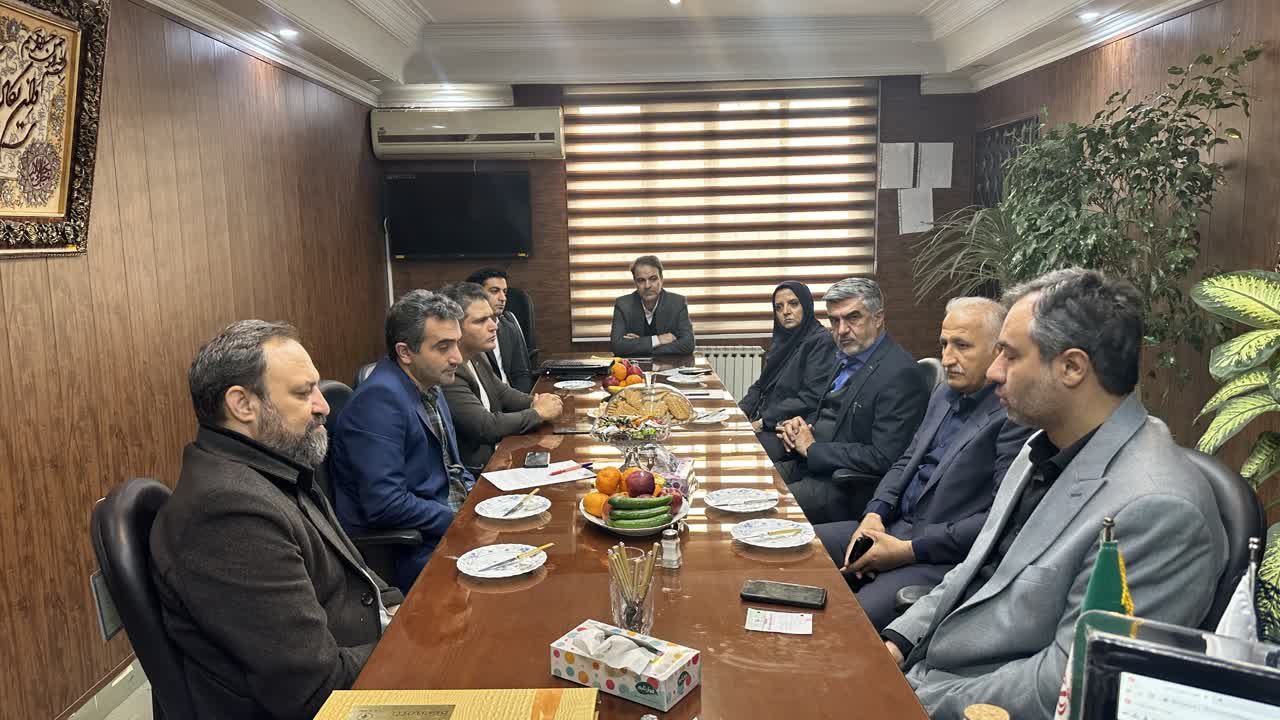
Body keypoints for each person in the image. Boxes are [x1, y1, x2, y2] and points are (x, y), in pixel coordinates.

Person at [882, 269, 1228, 719]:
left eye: (1010, 355)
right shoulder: (1041, 445)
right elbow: (975, 571)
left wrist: (910, 702)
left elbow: (1066, 682)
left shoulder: (1159, 510)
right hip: (930, 672)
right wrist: (897, 641)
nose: (994, 372)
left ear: (1072, 368)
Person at [150, 320, 404, 720]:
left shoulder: (276, 465)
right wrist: (412, 644)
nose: (323, 406)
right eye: (304, 393)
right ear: (243, 405)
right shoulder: (227, 513)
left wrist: (410, 617)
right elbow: (315, 688)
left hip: (365, 656)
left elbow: (360, 578)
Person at [813, 297, 1032, 630]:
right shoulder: (943, 394)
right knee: (796, 548)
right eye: (944, 345)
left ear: (997, 351)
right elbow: (905, 461)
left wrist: (908, 549)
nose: (948, 358)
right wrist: (874, 514)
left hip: (935, 554)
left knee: (848, 624)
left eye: (962, 346)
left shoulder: (1013, 415)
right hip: (891, 528)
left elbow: (998, 519)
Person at [327, 290, 475, 591]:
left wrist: (477, 504)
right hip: (415, 548)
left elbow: (453, 468)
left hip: (447, 524)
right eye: (443, 347)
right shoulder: (378, 401)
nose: (457, 358)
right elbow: (386, 504)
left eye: (456, 343)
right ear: (405, 352)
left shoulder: (430, 384)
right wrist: (459, 519)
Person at [768, 277, 930, 524]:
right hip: (811, 464)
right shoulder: (847, 357)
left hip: (845, 486)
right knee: (752, 482)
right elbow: (830, 412)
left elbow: (884, 457)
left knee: (765, 507)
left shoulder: (900, 374)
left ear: (878, 318)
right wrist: (800, 425)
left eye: (853, 318)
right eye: (835, 320)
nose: (842, 330)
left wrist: (812, 448)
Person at [439, 282, 563, 471]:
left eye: (491, 318)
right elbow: (485, 427)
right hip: (476, 471)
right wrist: (537, 413)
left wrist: (539, 402)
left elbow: (503, 393)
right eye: (481, 321)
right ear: (454, 327)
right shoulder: (448, 371)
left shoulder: (477, 355)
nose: (493, 326)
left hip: (499, 457)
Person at [739, 281, 835, 434]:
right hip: (762, 417)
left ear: (806, 306)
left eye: (793, 304)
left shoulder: (822, 341)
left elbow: (810, 397)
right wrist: (741, 411)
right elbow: (761, 385)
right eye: (779, 307)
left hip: (789, 427)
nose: (785, 311)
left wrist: (762, 423)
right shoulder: (782, 340)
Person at [610, 255, 695, 356]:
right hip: (635, 365)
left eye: (653, 279)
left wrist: (641, 345)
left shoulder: (677, 303)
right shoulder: (623, 305)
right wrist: (658, 340)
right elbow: (617, 347)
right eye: (641, 280)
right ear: (635, 283)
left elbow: (688, 345)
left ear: (661, 280)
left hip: (668, 364)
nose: (647, 286)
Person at [465, 268, 534, 392]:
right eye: (495, 291)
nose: (503, 298)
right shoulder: (468, 332)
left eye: (504, 292)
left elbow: (521, 373)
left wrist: (528, 400)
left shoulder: (508, 326)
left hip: (513, 396)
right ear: (475, 295)